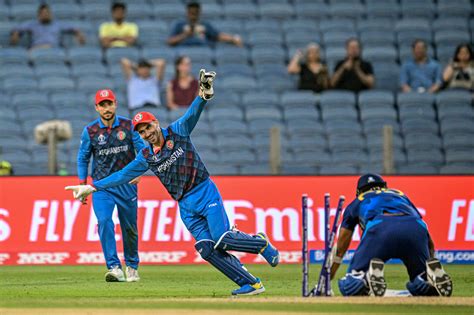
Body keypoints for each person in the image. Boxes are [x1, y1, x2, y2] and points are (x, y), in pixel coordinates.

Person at [66, 70, 280, 296]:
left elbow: (192, 114)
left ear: (156, 124)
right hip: (185, 205)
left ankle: (260, 242)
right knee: (206, 249)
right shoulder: (146, 156)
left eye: (148, 127)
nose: (146, 133)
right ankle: (252, 283)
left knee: (222, 238)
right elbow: (122, 175)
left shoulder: (177, 132)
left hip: (204, 192)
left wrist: (203, 95)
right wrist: (92, 186)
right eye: (141, 131)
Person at [330, 174, 453, 297]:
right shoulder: (400, 195)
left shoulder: (358, 201)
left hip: (380, 226)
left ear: (359, 191)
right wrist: (429, 262)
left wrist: (328, 277)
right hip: (415, 227)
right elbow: (426, 236)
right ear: (384, 186)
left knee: (350, 286)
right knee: (420, 287)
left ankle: (366, 277)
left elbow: (340, 249)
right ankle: (427, 278)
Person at [76, 89, 146, 282]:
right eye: (102, 105)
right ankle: (114, 267)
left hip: (126, 185)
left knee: (129, 227)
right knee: (105, 222)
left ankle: (132, 266)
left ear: (115, 104)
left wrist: (139, 171)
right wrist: (83, 185)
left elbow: (143, 150)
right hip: (101, 187)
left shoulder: (129, 126)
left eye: (109, 104)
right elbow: (83, 158)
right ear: (97, 107)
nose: (106, 108)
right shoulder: (90, 131)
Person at [10, 3, 85, 50]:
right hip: (37, 50)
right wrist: (16, 33)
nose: (45, 14)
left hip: (54, 50)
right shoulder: (32, 24)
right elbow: (17, 28)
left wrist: (79, 34)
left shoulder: (58, 24)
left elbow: (74, 28)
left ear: (51, 14)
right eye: (43, 13)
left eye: (47, 12)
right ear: (39, 15)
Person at [167, 2, 242, 47]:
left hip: (203, 49)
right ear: (187, 12)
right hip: (185, 51)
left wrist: (233, 38)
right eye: (191, 13)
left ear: (199, 13)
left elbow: (218, 36)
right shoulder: (180, 24)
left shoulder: (205, 25)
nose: (193, 16)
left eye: (195, 13)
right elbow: (170, 41)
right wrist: (185, 35)